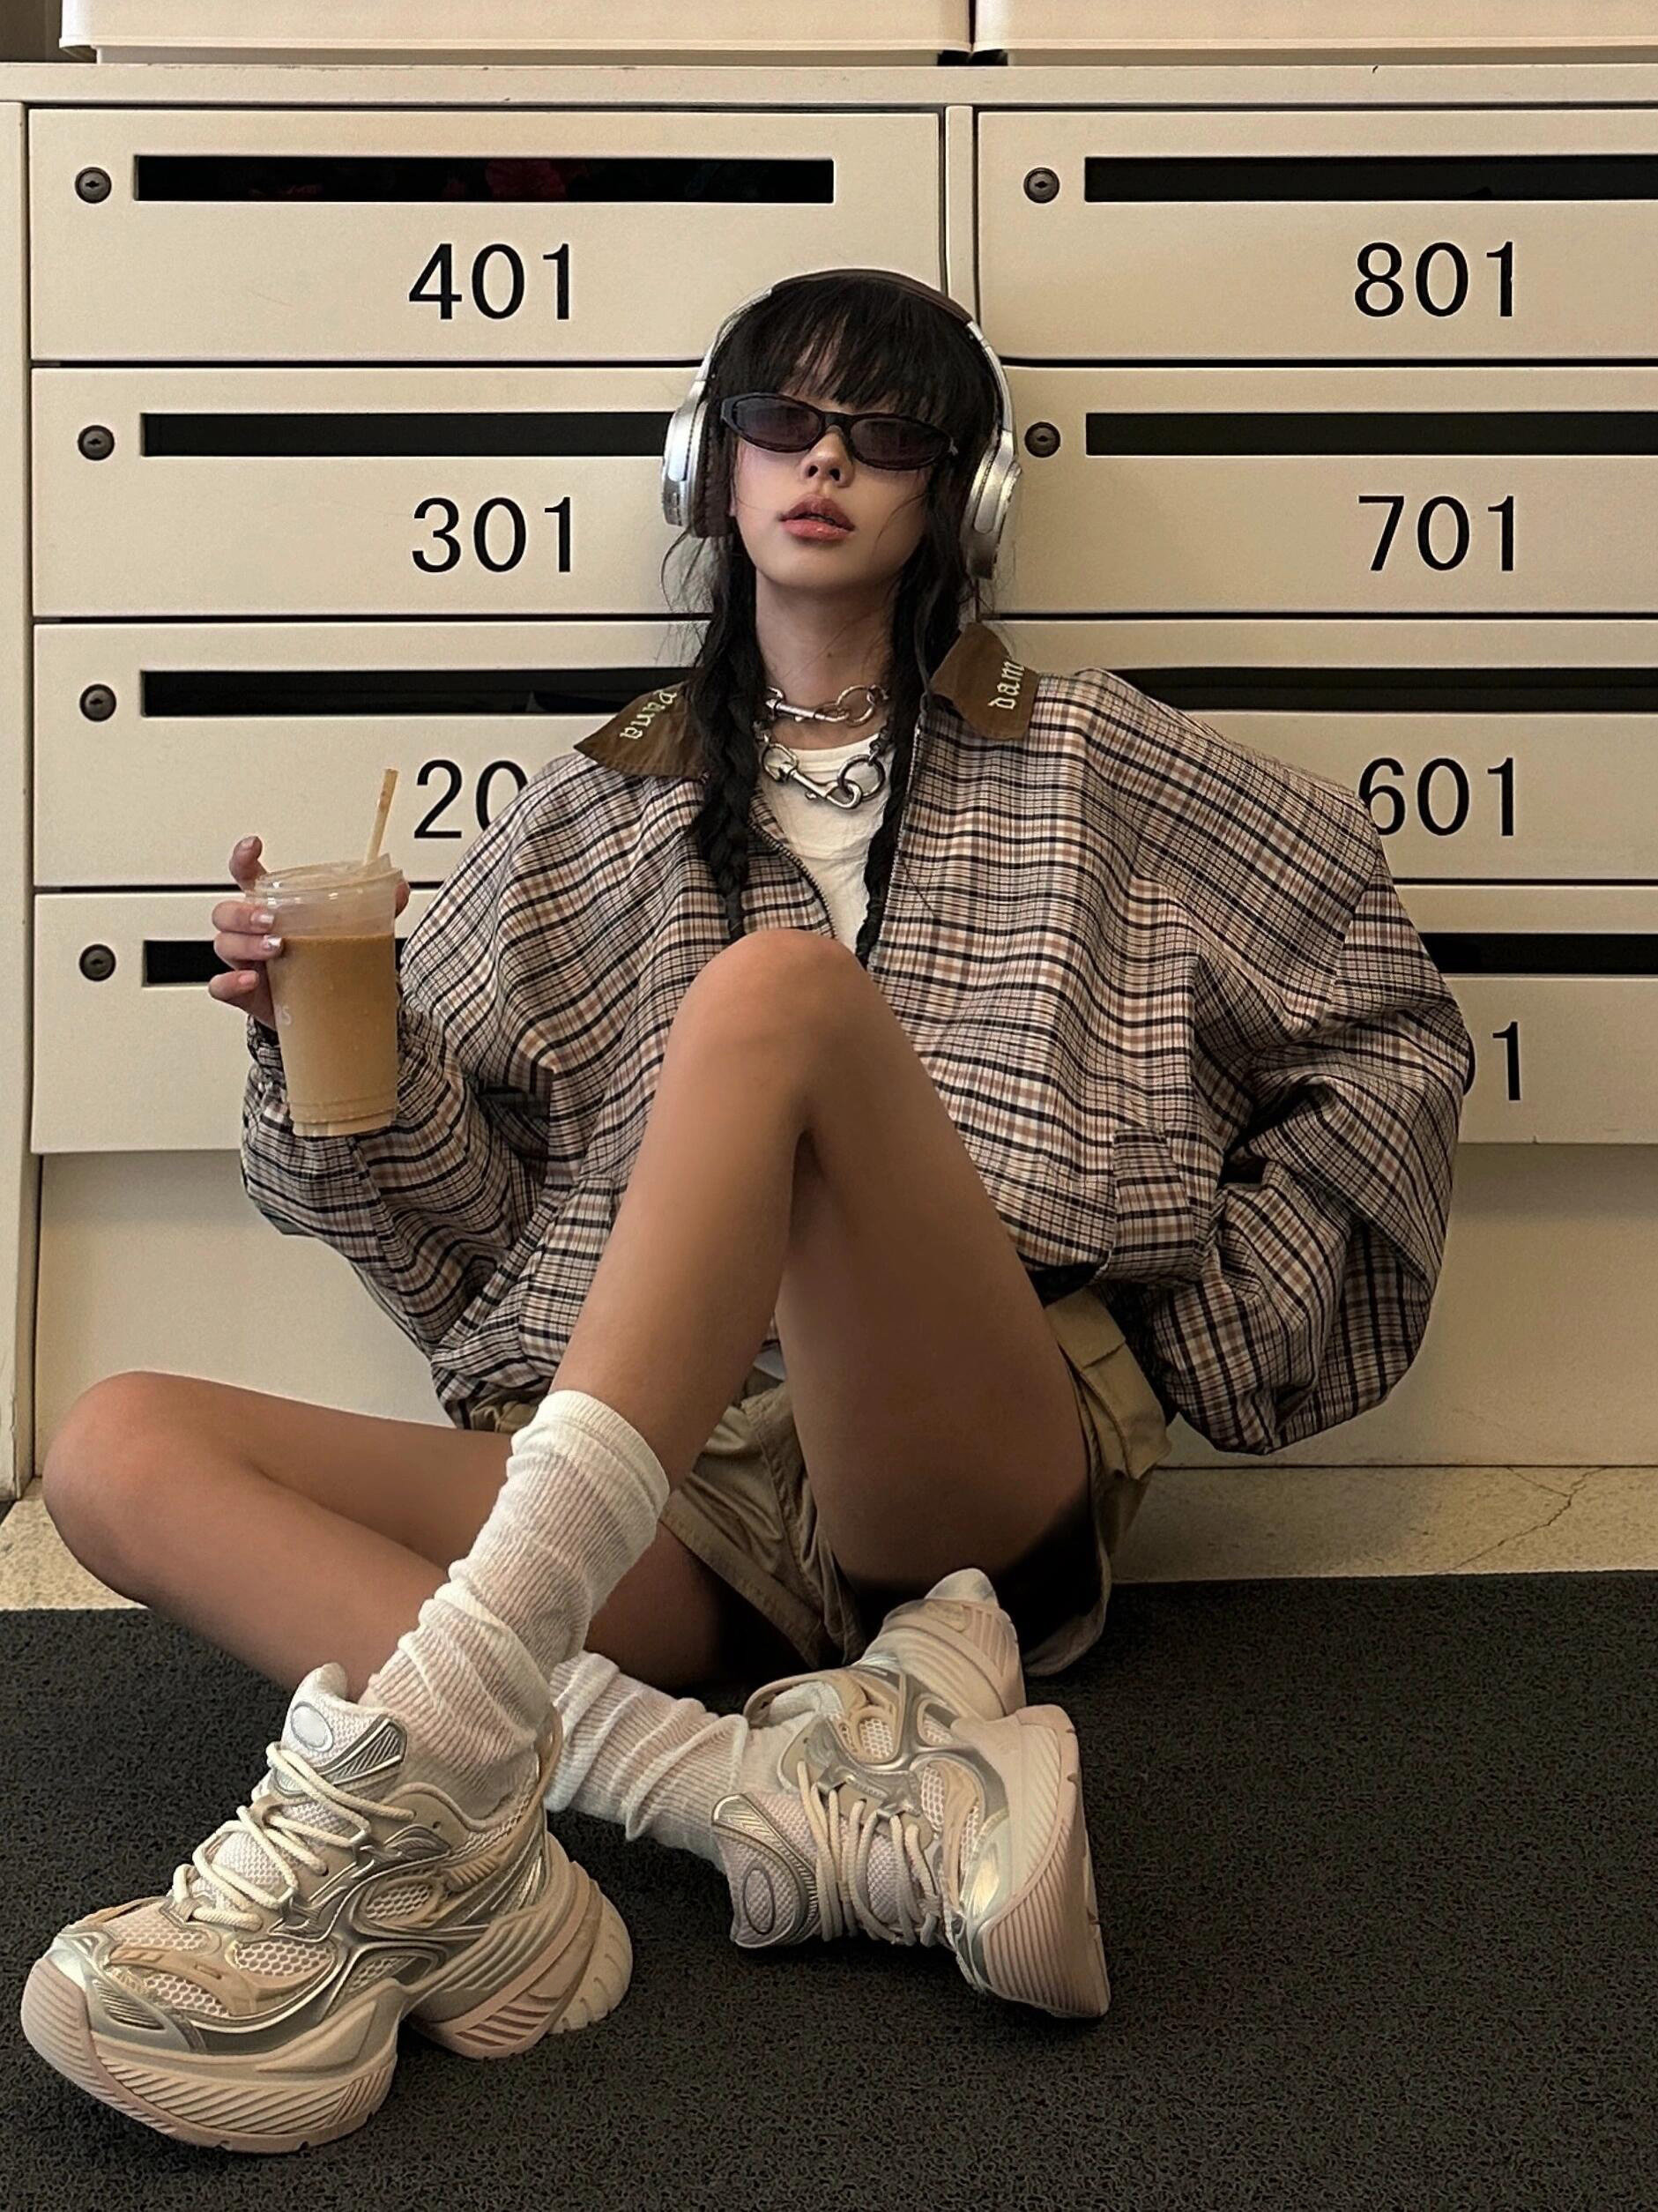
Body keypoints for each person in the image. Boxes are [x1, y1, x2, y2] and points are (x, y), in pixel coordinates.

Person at [25, 269, 1475, 2153]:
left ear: (958, 491)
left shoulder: (1094, 757)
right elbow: (460, 1220)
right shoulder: (590, 811)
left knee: (772, 995)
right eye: (781, 420)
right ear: (707, 466)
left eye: (885, 433)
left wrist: (1195, 1341)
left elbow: (1380, 1026)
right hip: (669, 1484)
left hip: (956, 1466)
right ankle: (725, 1802)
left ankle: (428, 1772)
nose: (823, 462)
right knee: (113, 1445)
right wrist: (309, 1039)